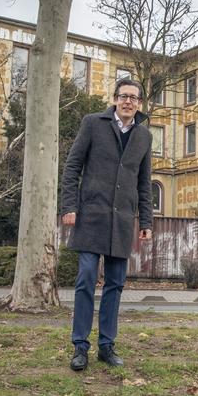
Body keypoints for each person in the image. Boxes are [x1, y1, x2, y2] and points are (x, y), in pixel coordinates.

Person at [61, 78, 153, 371]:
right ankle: (80, 346)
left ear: (139, 104)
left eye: (134, 98)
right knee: (86, 278)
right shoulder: (93, 123)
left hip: (122, 221)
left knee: (115, 284)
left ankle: (106, 345)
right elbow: (72, 166)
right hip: (91, 216)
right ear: (114, 99)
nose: (128, 102)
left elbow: (144, 183)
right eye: (124, 96)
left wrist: (146, 220)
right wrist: (69, 207)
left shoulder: (144, 137)